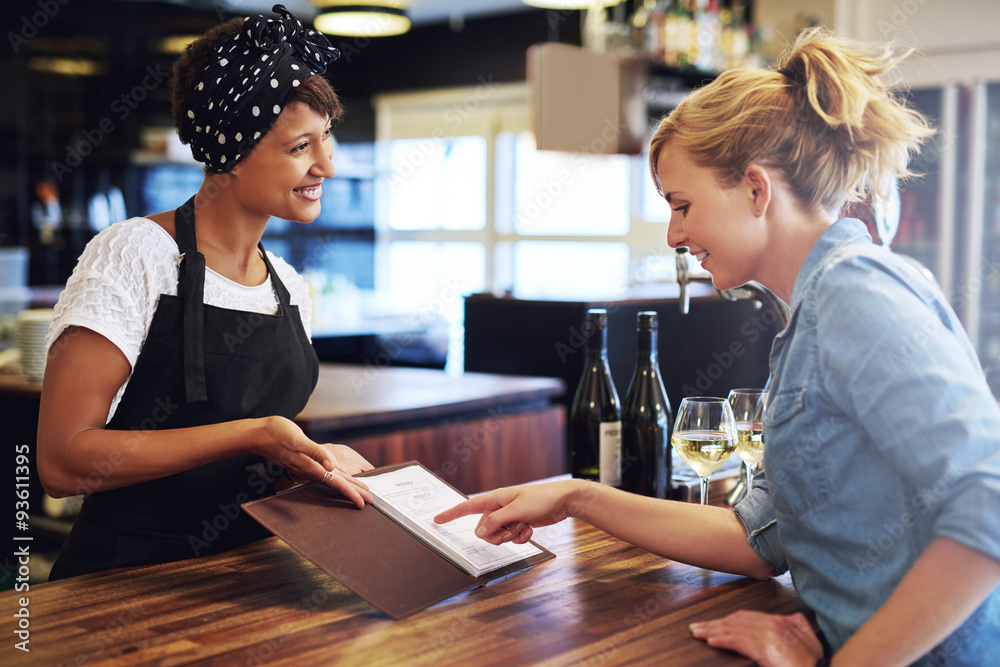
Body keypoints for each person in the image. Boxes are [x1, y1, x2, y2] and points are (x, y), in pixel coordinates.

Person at [436, 27, 1000, 666]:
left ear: (757, 191)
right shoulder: (808, 315)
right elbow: (756, 540)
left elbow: (987, 508)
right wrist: (576, 495)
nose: (674, 234)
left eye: (682, 205)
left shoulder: (855, 291)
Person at [38, 4, 374, 581]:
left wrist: (305, 468)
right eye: (300, 147)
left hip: (251, 578)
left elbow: (244, 460)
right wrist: (253, 434)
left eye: (327, 140)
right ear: (232, 152)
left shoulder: (290, 289)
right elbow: (62, 463)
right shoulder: (135, 255)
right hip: (125, 584)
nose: (327, 166)